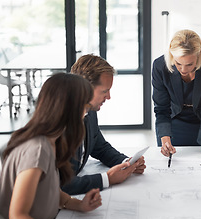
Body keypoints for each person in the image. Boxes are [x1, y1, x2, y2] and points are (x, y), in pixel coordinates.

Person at [0, 73, 102, 219]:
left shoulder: (51, 140)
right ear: (70, 109)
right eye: (85, 108)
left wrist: (78, 205)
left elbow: (48, 189)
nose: (86, 114)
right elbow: (17, 217)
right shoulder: (37, 149)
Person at [61, 54, 146, 195]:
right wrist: (107, 179)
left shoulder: (90, 111)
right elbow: (61, 183)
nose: (109, 97)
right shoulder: (60, 122)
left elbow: (99, 147)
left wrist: (127, 163)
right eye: (105, 91)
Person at [152, 29, 201, 156]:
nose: (183, 70)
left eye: (190, 64)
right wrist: (164, 137)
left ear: (199, 55)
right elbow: (161, 107)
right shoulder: (160, 66)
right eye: (178, 63)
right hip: (174, 117)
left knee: (197, 161)